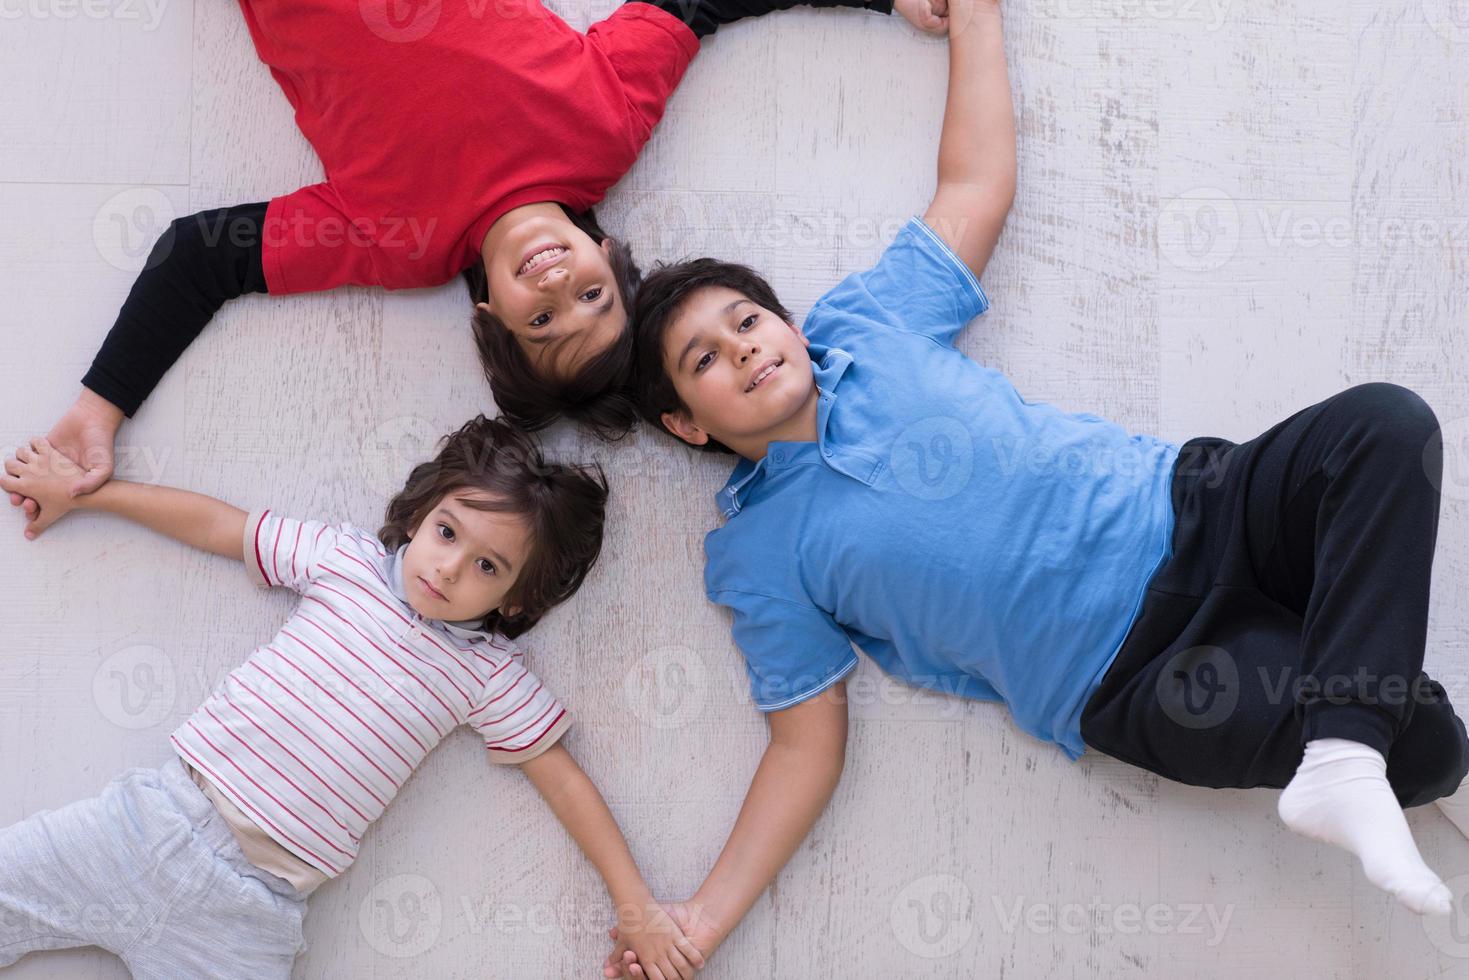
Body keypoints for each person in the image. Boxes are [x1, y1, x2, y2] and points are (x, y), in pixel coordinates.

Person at [610, 0, 1469, 970]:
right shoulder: (755, 555)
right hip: (1135, 676)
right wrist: (700, 921)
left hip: (1203, 509)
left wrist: (976, 14)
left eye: (746, 320)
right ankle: (1355, 722)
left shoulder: (868, 326)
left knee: (1387, 425)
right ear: (688, 421)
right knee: (1434, 745)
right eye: (705, 359)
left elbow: (974, 184)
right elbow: (804, 747)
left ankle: (1340, 745)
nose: (743, 348)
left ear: (787, 323)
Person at [6, 0, 951, 540]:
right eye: (590, 294)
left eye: (543, 321)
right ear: (609, 256)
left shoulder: (401, 241)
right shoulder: (604, 126)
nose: (554, 287)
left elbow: (194, 259)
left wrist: (99, 411)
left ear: (493, 315)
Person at [0, 417, 705, 979]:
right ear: (420, 514)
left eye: (486, 565)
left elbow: (565, 783)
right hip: (144, 825)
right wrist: (90, 495)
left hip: (253, 907)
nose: (449, 567)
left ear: (517, 599)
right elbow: (222, 527)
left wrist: (634, 903)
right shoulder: (345, 561)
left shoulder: (489, 674)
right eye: (447, 532)